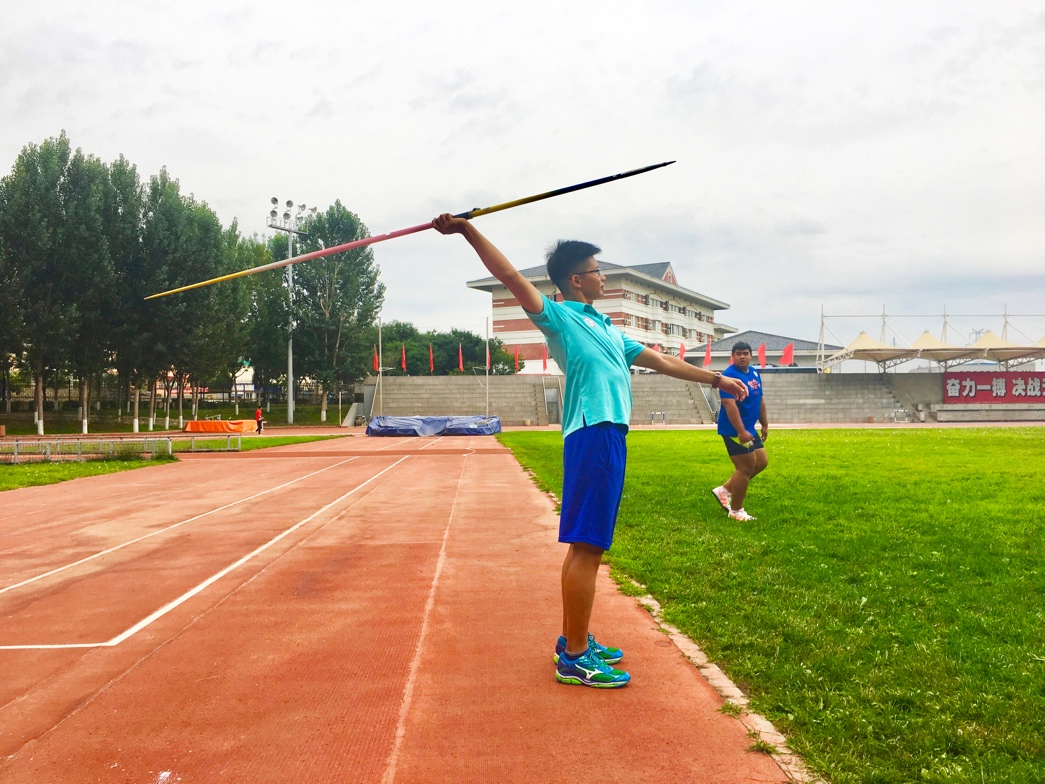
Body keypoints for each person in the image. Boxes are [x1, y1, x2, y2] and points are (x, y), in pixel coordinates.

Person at [432, 213, 748, 688]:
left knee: (590, 544)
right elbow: (510, 276)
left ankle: (574, 639)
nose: (603, 276)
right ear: (577, 280)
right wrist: (467, 230)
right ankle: (575, 657)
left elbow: (660, 360)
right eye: (598, 270)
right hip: (592, 432)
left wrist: (717, 378)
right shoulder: (559, 318)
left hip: (609, 435)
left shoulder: (607, 328)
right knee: (589, 546)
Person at [712, 342, 769, 522]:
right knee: (745, 467)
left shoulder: (754, 373)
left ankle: (724, 490)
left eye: (745, 353)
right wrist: (740, 431)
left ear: (751, 355)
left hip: (749, 428)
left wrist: (765, 424)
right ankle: (736, 510)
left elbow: (760, 399)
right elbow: (729, 405)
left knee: (761, 462)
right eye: (738, 354)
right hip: (734, 429)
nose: (742, 356)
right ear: (733, 356)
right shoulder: (728, 376)